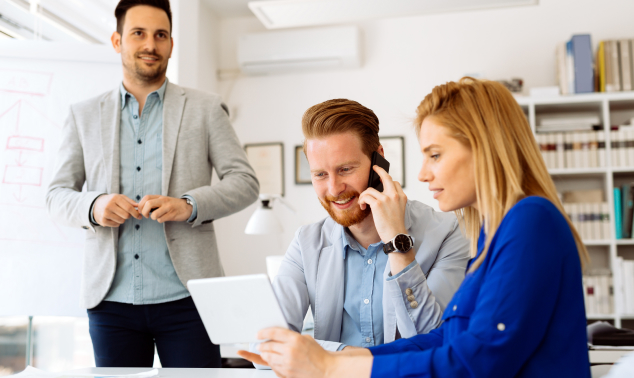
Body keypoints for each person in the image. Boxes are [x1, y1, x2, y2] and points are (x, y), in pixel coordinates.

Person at [238, 78, 591, 377]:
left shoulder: (531, 220)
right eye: (320, 174)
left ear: (485, 149)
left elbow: (478, 360)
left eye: (434, 155)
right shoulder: (492, 233)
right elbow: (447, 339)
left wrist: (332, 367)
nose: (422, 174)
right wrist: (336, 360)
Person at [46, 0, 259, 368]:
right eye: (138, 34)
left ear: (171, 45)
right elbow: (56, 195)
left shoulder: (206, 108)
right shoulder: (82, 115)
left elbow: (245, 182)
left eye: (161, 35)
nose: (151, 44)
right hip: (110, 302)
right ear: (117, 41)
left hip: (189, 300)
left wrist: (189, 205)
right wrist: (94, 207)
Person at [251, 98, 469, 362]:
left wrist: (397, 242)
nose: (333, 189)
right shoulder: (307, 242)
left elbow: (438, 344)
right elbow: (267, 345)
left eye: (345, 169)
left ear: (379, 160)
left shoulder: (447, 233)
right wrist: (349, 356)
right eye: (320, 174)